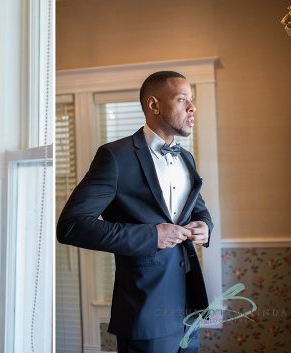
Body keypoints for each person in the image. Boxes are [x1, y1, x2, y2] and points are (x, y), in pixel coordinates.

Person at [57, 71, 212, 353]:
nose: (193, 108)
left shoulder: (186, 158)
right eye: (182, 100)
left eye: (192, 100)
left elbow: (198, 210)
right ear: (154, 105)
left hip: (190, 308)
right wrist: (151, 236)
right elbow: (71, 226)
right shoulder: (115, 157)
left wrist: (205, 227)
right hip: (145, 311)